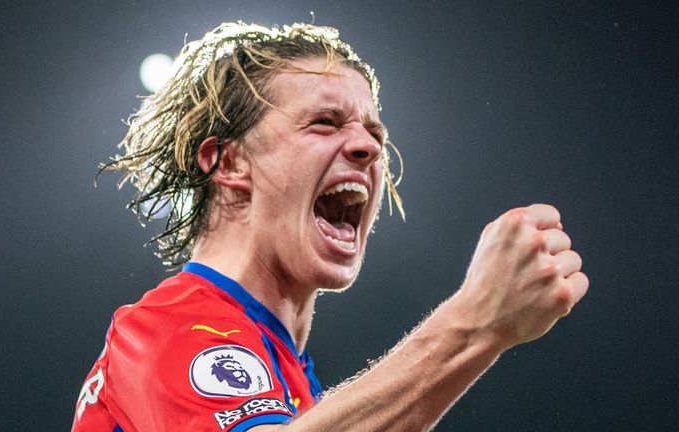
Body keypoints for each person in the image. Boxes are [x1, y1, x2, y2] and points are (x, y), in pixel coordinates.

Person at [72, 22, 588, 432]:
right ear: (228, 164)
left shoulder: (290, 385)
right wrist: (474, 324)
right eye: (325, 122)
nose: (369, 146)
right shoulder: (174, 323)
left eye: (374, 130)